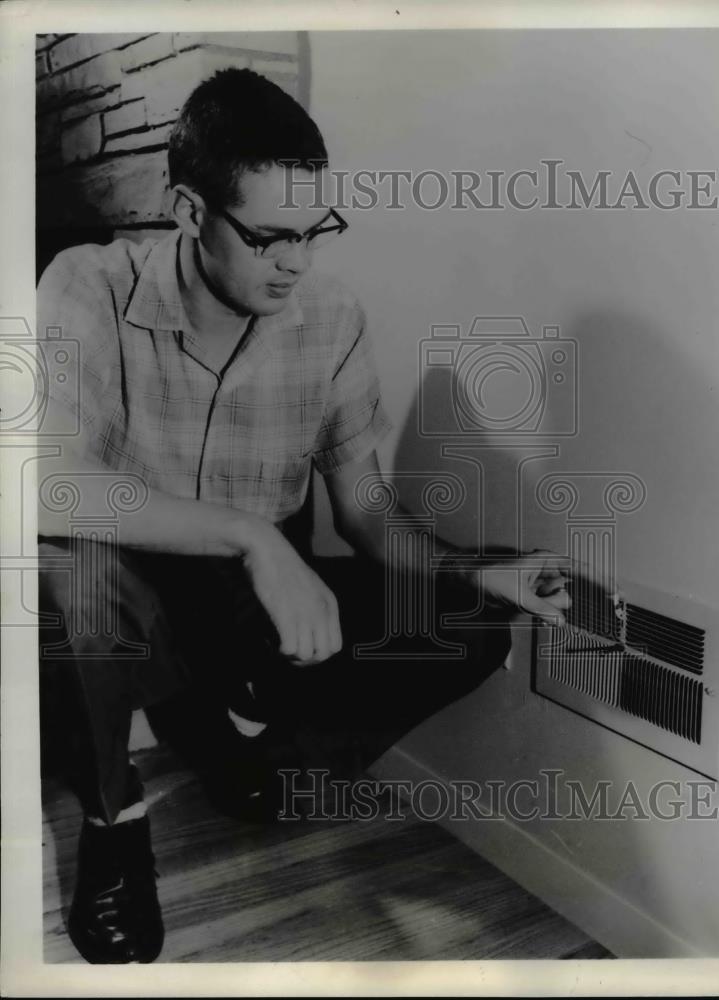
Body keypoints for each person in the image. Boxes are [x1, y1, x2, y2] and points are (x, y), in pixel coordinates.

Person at [37, 68, 584, 964]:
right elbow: (47, 484)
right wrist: (250, 537)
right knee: (74, 574)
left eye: (315, 231)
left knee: (476, 621)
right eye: (269, 238)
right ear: (187, 210)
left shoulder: (329, 316)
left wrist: (479, 570)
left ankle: (251, 760)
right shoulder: (86, 286)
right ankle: (113, 818)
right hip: (137, 607)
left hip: (250, 626)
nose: (298, 262)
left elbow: (367, 511)